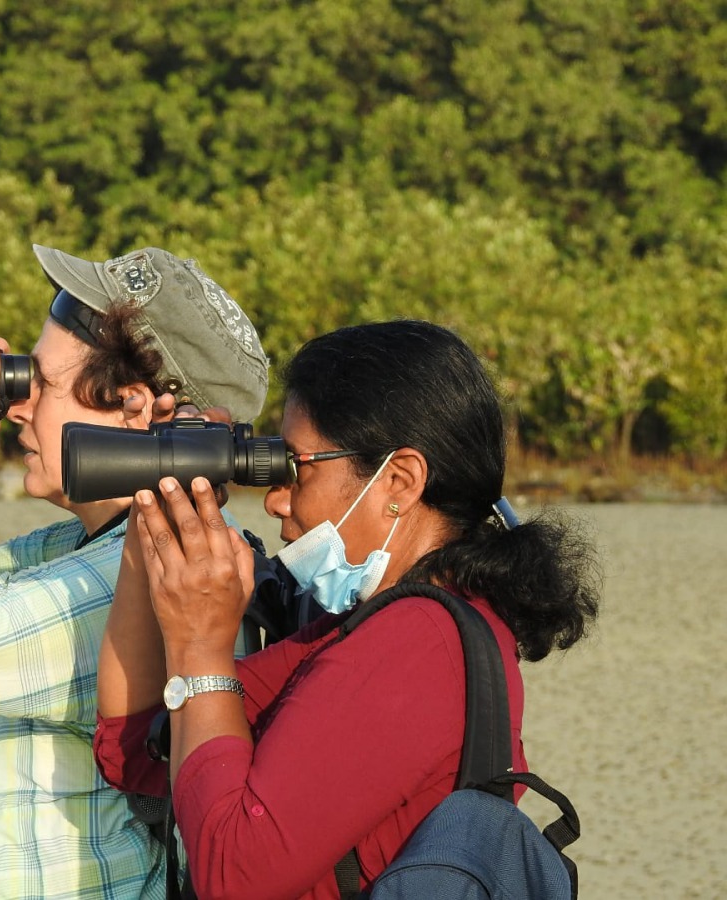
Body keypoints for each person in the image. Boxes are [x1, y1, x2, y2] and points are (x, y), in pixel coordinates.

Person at [94, 319, 601, 899]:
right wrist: (154, 505)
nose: (277, 499)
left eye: (296, 467)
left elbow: (231, 877)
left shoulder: (416, 645)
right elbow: (137, 748)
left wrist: (199, 646)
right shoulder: (381, 625)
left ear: (399, 481)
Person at [0, 244, 269, 900]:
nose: (18, 407)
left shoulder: (160, 574)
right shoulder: (83, 551)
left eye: (38, 383)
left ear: (135, 407)